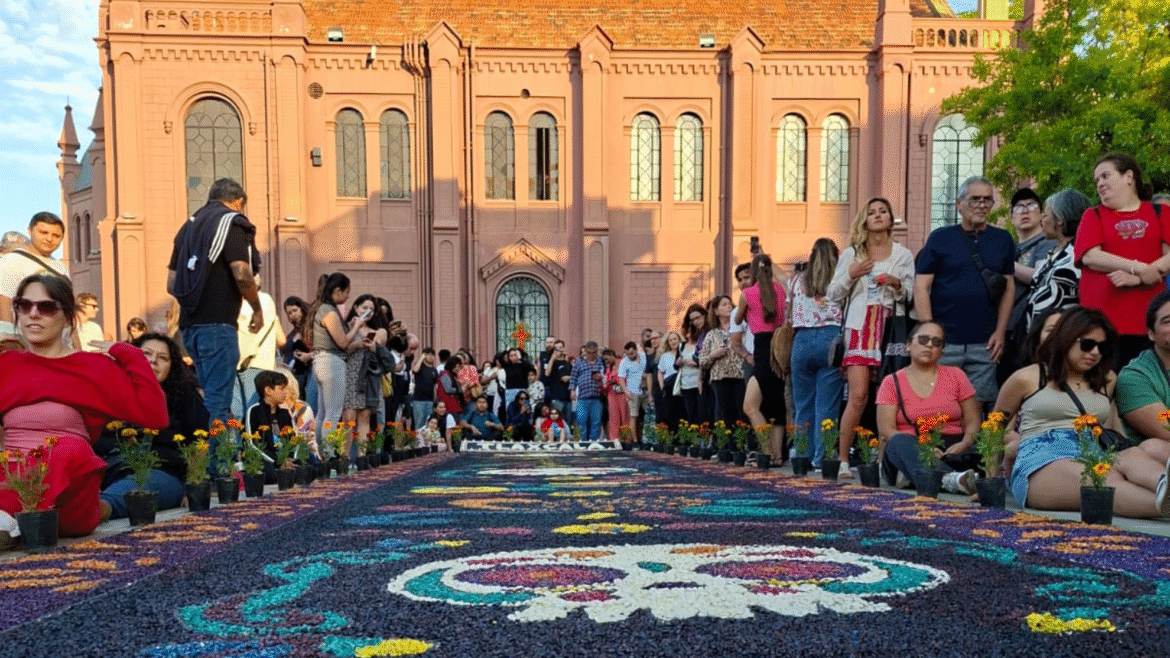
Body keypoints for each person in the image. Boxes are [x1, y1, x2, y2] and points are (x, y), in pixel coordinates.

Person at [0, 274, 167, 541]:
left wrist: (131, 354)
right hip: (12, 479)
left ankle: (10, 521)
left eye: (46, 307)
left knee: (69, 448)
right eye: (24, 305)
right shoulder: (7, 365)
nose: (33, 314)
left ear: (67, 316)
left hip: (70, 501)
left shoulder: (93, 367)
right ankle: (12, 521)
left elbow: (154, 415)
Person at [995, 306, 1170, 518]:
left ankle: (1164, 487)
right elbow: (994, 430)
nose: (1095, 353)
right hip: (1043, 457)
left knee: (1131, 455)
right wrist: (989, 482)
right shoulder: (1027, 378)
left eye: (1102, 347)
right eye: (1087, 345)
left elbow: (1113, 426)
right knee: (1103, 480)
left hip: (1092, 450)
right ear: (1066, 339)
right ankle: (1162, 506)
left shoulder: (1107, 380)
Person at [166, 179, 263, 435]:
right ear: (238, 203)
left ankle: (200, 460)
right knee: (218, 403)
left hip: (189, 326)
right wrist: (257, 308)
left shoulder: (188, 227)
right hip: (219, 324)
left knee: (207, 395)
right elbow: (242, 273)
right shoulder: (231, 222)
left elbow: (171, 283)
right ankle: (215, 468)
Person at [830, 198, 915, 472]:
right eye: (872, 212)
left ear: (891, 219)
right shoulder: (852, 253)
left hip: (890, 327)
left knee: (887, 397)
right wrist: (851, 275)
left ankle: (881, 462)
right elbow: (833, 294)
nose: (878, 216)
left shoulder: (902, 255)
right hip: (859, 326)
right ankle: (843, 459)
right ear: (864, 220)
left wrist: (896, 283)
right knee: (858, 396)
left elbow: (912, 292)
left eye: (883, 212)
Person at [915, 176, 1016, 407]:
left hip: (985, 343)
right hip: (945, 342)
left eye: (987, 200)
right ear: (959, 204)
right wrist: (930, 334)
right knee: (939, 407)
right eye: (975, 199)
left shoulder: (1002, 239)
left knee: (976, 409)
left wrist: (1000, 332)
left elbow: (1008, 287)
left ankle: (970, 445)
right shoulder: (940, 238)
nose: (982, 205)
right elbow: (921, 286)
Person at [98, 332, 207, 522]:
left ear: (171, 367)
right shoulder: (109, 392)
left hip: (162, 476)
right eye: (145, 354)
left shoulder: (184, 397)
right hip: (108, 471)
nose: (153, 361)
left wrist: (194, 486)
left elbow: (199, 442)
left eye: (163, 358)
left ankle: (94, 511)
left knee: (132, 489)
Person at [1075, 153, 1170, 371]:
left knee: (1145, 389)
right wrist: (1136, 266)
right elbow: (1090, 256)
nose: (1100, 184)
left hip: (1148, 325)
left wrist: (1137, 279)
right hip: (1101, 327)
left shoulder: (1159, 212)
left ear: (1128, 176)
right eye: (1097, 180)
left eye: (1105, 176)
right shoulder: (1093, 215)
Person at [875, 321, 983, 495]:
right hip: (910, 446)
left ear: (941, 350)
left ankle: (915, 476)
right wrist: (923, 449)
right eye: (923, 339)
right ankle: (950, 479)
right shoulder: (891, 382)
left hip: (951, 449)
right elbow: (886, 429)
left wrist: (965, 443)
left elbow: (973, 419)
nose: (929, 345)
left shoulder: (956, 375)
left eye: (936, 342)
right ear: (909, 344)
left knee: (985, 447)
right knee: (896, 442)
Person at [788, 239, 844, 467]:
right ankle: (823, 458)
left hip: (801, 339)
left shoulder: (797, 281)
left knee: (802, 405)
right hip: (831, 338)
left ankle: (802, 455)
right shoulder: (842, 279)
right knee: (827, 405)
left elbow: (789, 313)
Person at [734, 253, 788, 458]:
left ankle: (766, 453)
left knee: (750, 406)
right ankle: (777, 456)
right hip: (779, 347)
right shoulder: (780, 290)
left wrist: (747, 311)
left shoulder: (748, 294)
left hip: (762, 348)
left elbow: (738, 320)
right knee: (776, 406)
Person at [308, 273, 369, 445]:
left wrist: (355, 341)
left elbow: (340, 341)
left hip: (321, 361)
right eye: (347, 292)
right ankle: (328, 454)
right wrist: (356, 326)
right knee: (332, 414)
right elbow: (342, 343)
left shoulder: (322, 309)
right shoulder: (329, 311)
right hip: (332, 363)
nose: (348, 296)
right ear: (337, 290)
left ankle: (321, 453)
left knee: (322, 413)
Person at [1023, 189, 1090, 333]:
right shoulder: (1054, 251)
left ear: (1059, 219)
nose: (1041, 220)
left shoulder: (1080, 254)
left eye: (1045, 215)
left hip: (1062, 336)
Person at [0, 212, 68, 349]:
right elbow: (4, 301)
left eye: (56, 236)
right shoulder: (12, 260)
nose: (49, 239)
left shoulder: (61, 268)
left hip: (59, 347)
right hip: (27, 346)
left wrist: (76, 348)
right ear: (30, 231)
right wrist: (12, 342)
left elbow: (69, 312)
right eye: (43, 232)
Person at [1116, 289, 1170, 461]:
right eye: (1167, 321)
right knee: (1153, 448)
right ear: (1151, 333)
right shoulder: (1134, 377)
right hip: (1160, 459)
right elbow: (1166, 432)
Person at [341, 294, 393, 458]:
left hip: (368, 376)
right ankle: (345, 457)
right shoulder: (346, 327)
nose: (368, 311)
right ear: (356, 308)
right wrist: (356, 340)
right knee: (348, 417)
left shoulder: (379, 331)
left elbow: (380, 351)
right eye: (364, 307)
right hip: (350, 373)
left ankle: (362, 458)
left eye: (371, 309)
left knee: (364, 417)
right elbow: (342, 349)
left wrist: (373, 347)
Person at [233, 275, 286, 421]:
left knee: (249, 410)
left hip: (251, 362)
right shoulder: (265, 301)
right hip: (251, 362)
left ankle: (250, 442)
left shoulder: (260, 300)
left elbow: (247, 331)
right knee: (244, 411)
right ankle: (247, 442)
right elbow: (282, 340)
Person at [698, 295, 745, 428]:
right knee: (726, 414)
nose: (728, 306)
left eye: (730, 304)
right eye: (724, 304)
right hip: (720, 378)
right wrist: (713, 355)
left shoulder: (741, 329)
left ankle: (746, 445)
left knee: (742, 412)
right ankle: (730, 446)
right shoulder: (712, 334)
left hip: (740, 376)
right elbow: (702, 361)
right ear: (716, 311)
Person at [244, 369, 294, 482]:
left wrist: (289, 457)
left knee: (308, 462)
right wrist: (277, 460)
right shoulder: (254, 412)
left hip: (284, 458)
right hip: (266, 458)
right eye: (282, 388)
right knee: (268, 473)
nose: (285, 392)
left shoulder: (284, 413)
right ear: (268, 390)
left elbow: (293, 439)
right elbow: (251, 444)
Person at [281, 296, 314, 406]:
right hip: (292, 376)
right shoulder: (294, 332)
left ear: (302, 309)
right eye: (289, 313)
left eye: (295, 310)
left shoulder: (311, 329)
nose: (292, 315)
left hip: (308, 373)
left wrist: (308, 356)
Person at [569, 341, 605, 442]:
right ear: (585, 351)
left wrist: (600, 378)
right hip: (582, 397)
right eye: (589, 352)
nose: (591, 355)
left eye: (594, 352)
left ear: (597, 351)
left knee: (596, 422)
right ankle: (582, 441)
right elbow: (573, 377)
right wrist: (572, 390)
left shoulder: (601, 362)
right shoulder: (579, 362)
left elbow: (606, 375)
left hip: (597, 397)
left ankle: (593, 441)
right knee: (581, 420)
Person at [677, 304, 706, 424]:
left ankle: (704, 437)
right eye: (692, 320)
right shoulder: (682, 346)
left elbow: (702, 360)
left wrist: (693, 363)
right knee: (691, 413)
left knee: (702, 412)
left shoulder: (702, 339)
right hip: (686, 383)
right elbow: (676, 363)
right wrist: (679, 362)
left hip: (699, 380)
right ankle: (696, 438)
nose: (695, 322)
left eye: (697, 318)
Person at [617, 340, 651, 439]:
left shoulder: (644, 356)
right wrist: (626, 392)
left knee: (648, 416)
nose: (630, 356)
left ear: (636, 350)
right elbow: (621, 378)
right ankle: (634, 440)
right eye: (628, 354)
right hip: (632, 391)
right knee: (633, 416)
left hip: (645, 390)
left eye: (632, 353)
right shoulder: (624, 361)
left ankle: (647, 438)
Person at [656, 330, 683, 433]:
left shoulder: (683, 353)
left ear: (679, 340)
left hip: (681, 384)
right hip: (669, 384)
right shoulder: (665, 356)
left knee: (682, 411)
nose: (673, 342)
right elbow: (660, 372)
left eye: (675, 339)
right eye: (670, 340)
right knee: (670, 412)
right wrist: (662, 385)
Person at [411, 347, 439, 429]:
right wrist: (421, 358)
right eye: (428, 354)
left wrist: (435, 400)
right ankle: (418, 441)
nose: (430, 357)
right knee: (419, 423)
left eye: (432, 355)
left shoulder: (434, 370)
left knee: (429, 424)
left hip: (430, 400)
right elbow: (415, 370)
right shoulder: (420, 367)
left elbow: (435, 386)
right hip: (418, 400)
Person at [435, 355, 465, 420]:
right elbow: (448, 389)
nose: (458, 369)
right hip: (448, 404)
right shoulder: (444, 373)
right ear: (452, 365)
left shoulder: (453, 375)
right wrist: (460, 390)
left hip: (453, 404)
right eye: (457, 366)